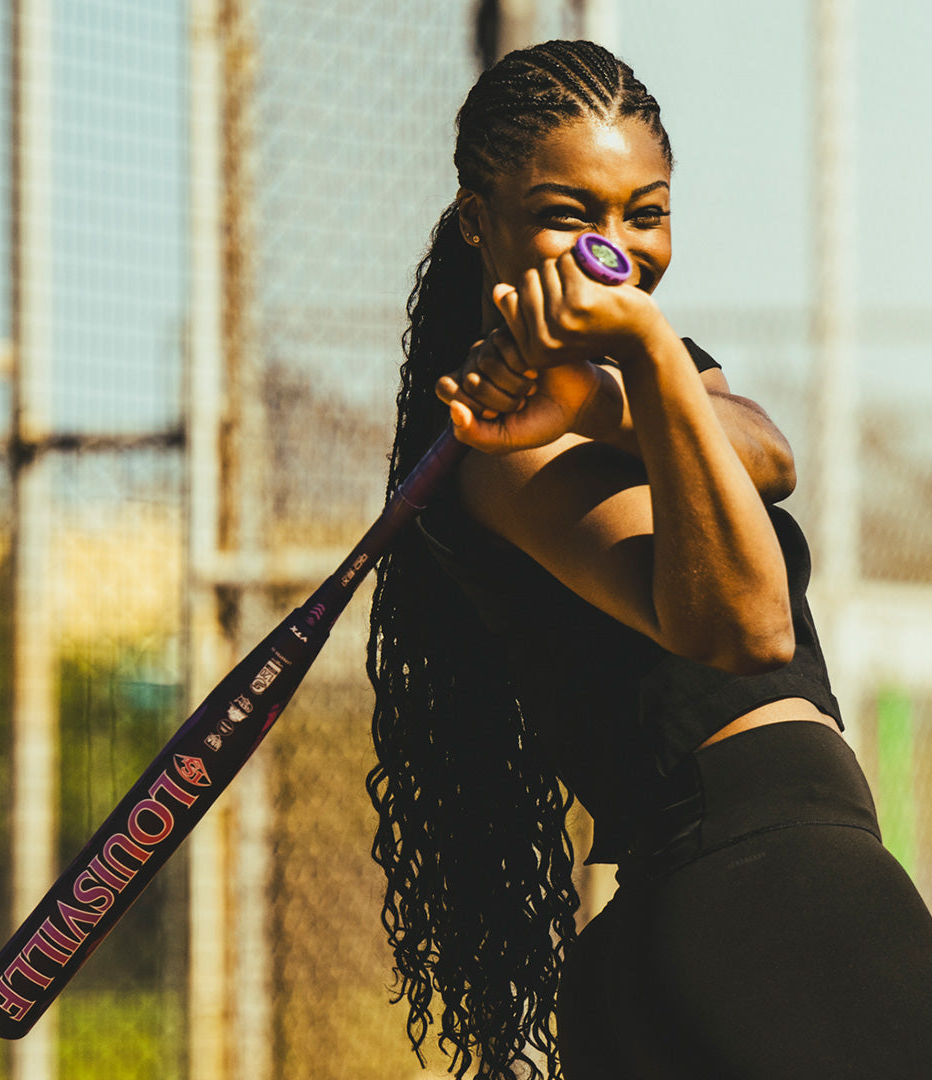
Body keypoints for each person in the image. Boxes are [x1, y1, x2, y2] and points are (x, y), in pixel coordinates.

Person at [366, 39, 932, 1080]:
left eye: (646, 210)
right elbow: (745, 626)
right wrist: (636, 357)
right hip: (771, 903)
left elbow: (768, 454)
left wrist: (612, 380)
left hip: (716, 921)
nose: (612, 250)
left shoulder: (626, 390)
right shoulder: (500, 440)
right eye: (568, 214)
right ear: (478, 224)